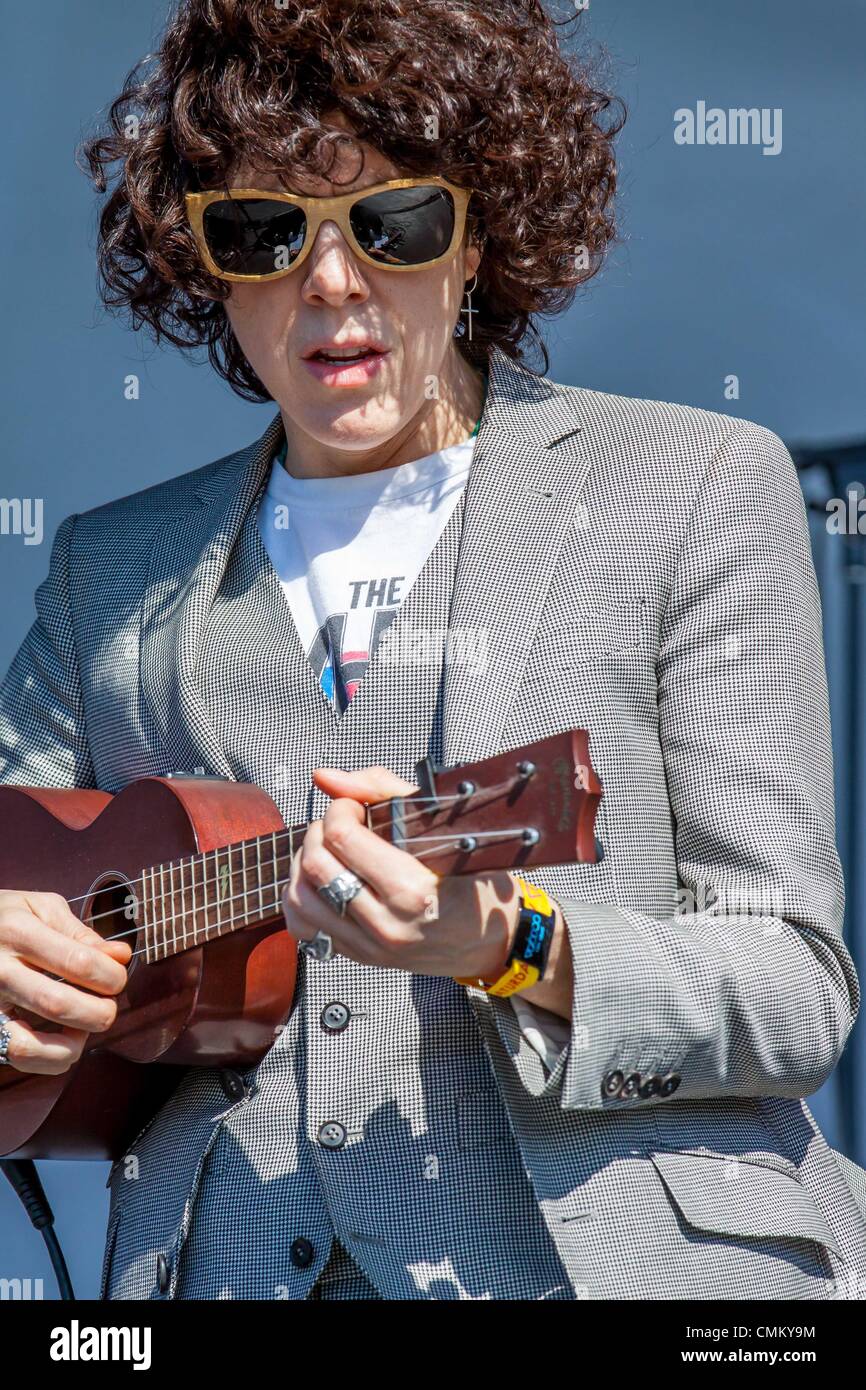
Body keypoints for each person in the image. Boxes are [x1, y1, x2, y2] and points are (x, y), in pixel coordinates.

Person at [1, 0, 865, 1301]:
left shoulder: (689, 485)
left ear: (477, 241)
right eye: (263, 232)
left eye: (392, 223)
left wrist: (512, 945)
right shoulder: (105, 570)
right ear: (208, 268)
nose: (330, 280)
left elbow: (792, 986)